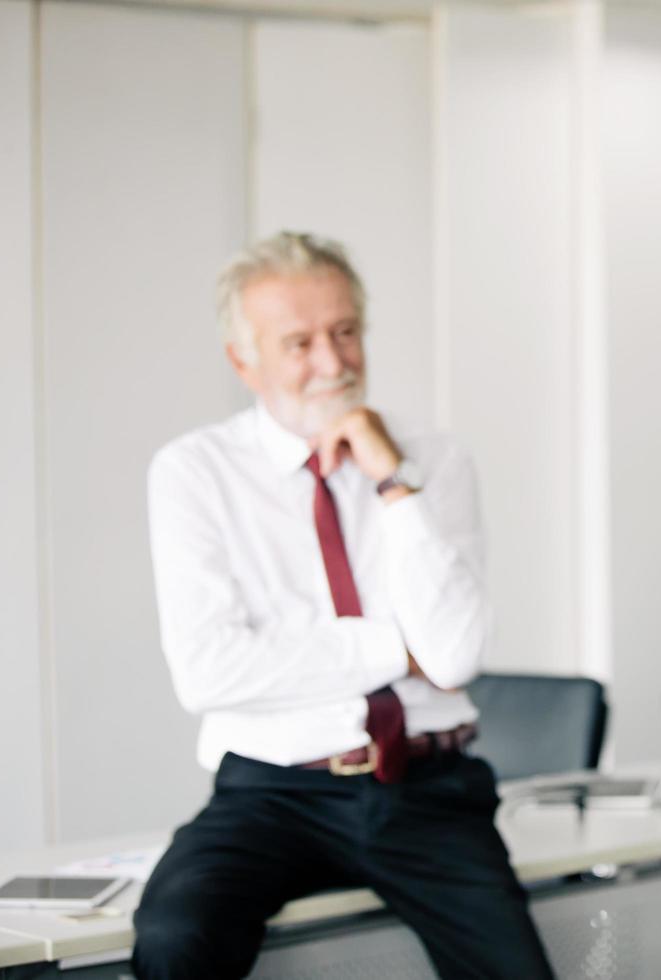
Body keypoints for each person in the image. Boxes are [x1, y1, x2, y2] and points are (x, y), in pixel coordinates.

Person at [134, 232, 554, 980]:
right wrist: (399, 647)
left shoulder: (433, 459)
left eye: (345, 332)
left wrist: (393, 480)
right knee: (174, 938)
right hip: (272, 791)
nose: (332, 362)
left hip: (426, 789)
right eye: (298, 343)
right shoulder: (194, 473)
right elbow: (207, 672)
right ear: (244, 362)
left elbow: (454, 656)